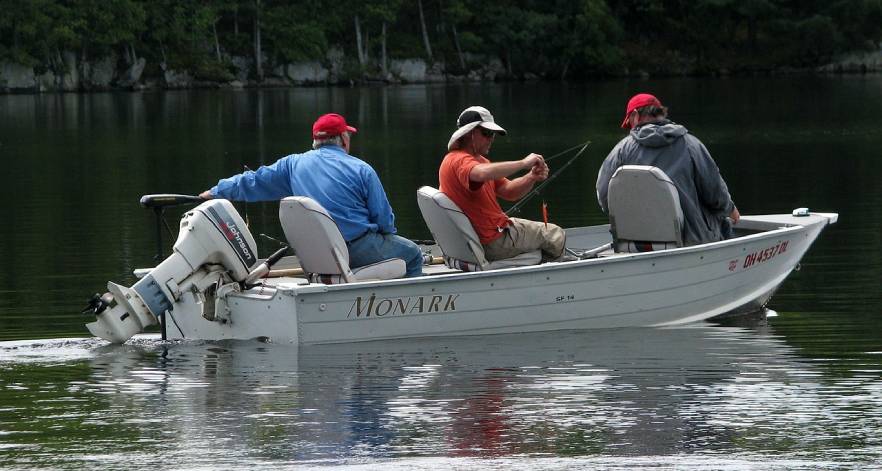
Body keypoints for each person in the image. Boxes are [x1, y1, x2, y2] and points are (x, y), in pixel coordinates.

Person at [199, 113, 423, 277]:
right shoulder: (361, 169)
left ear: (315, 140)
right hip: (355, 249)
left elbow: (253, 181)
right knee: (412, 254)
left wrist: (216, 192)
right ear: (344, 139)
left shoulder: (292, 165)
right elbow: (384, 221)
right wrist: (388, 239)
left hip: (314, 254)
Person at [596, 93, 740, 245]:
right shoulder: (691, 145)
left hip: (635, 244)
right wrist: (730, 208)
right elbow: (715, 192)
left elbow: (605, 198)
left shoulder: (620, 151)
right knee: (724, 223)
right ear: (661, 114)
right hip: (691, 241)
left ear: (635, 116)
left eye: (629, 123)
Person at [439, 105, 568, 262]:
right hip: (493, 241)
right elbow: (481, 173)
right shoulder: (459, 160)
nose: (491, 138)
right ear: (469, 134)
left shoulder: (478, 161)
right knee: (555, 234)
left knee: (543, 234)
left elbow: (509, 191)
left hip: (492, 236)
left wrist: (532, 176)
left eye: (493, 134)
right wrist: (523, 163)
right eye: (486, 133)